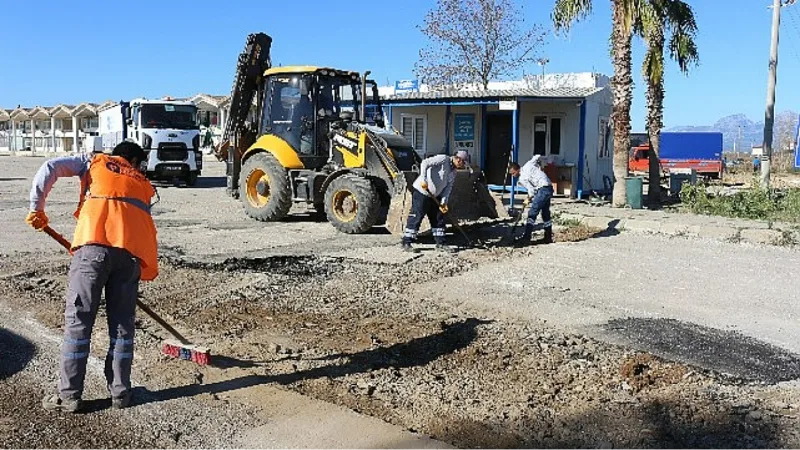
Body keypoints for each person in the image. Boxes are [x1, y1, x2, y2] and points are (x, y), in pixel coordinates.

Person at [25, 141, 158, 412]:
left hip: (93, 250)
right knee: (123, 327)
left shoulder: (94, 161)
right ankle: (121, 394)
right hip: (130, 257)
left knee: (79, 322)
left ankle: (69, 395)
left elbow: (50, 167)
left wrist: (36, 207)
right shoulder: (143, 183)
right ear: (131, 158)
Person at [401, 150, 470, 253]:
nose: (463, 165)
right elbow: (425, 163)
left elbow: (448, 188)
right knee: (417, 215)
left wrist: (443, 202)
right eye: (463, 163)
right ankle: (406, 242)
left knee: (438, 218)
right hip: (422, 192)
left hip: (435, 196)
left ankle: (440, 243)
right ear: (458, 159)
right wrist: (424, 179)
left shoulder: (453, 172)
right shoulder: (443, 159)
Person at [509, 155, 554, 245]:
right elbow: (537, 156)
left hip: (542, 189)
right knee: (545, 213)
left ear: (517, 170)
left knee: (532, 213)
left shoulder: (522, 178)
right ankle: (548, 237)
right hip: (549, 187)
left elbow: (531, 192)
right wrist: (541, 163)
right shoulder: (528, 164)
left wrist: (527, 199)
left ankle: (526, 237)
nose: (513, 176)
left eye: (513, 173)